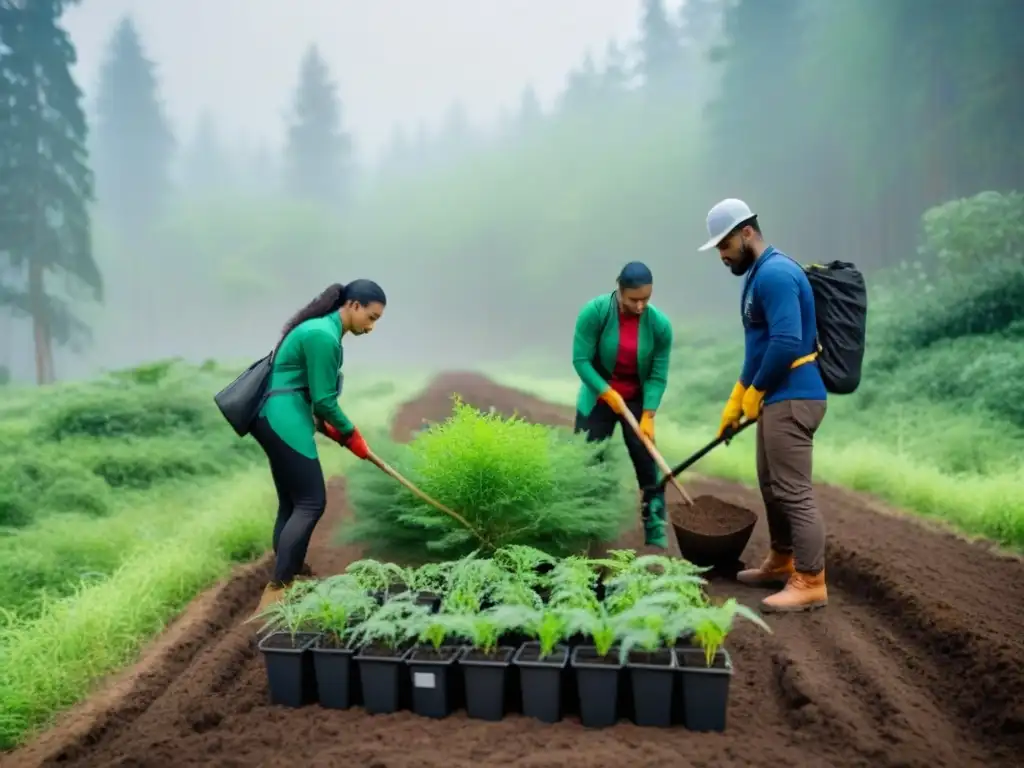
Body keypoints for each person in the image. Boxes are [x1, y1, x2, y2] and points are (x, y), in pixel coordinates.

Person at [699, 198, 828, 612]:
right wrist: (738, 399)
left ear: (746, 232)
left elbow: (787, 342)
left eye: (724, 244)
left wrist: (757, 391)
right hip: (777, 396)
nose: (721, 254)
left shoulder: (774, 274)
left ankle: (810, 580)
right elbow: (758, 348)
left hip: (793, 397)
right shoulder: (756, 276)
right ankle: (781, 560)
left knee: (794, 492)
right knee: (771, 487)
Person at [251, 279, 386, 616]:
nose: (371, 327)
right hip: (286, 419)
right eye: (371, 317)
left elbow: (313, 398)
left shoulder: (318, 331)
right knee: (312, 502)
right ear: (353, 305)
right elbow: (324, 402)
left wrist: (336, 432)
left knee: (293, 503)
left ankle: (288, 577)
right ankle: (281, 587)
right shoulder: (323, 337)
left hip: (276, 415)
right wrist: (352, 435)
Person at [571, 261, 674, 548]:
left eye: (646, 299)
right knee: (587, 460)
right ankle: (584, 524)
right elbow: (580, 360)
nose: (640, 306)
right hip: (597, 397)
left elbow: (657, 374)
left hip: (637, 399)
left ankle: (654, 530)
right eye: (634, 300)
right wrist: (607, 392)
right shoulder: (595, 313)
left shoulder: (660, 326)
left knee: (646, 461)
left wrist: (649, 414)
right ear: (620, 290)